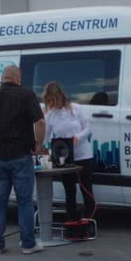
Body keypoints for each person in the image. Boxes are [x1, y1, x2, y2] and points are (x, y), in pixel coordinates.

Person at [0, 66, 46, 255]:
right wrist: (38, 144)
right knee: (24, 202)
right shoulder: (27, 95)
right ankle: (28, 244)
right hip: (21, 156)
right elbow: (41, 122)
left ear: (3, 78)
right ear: (18, 78)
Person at [42, 81, 96, 221]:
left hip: (82, 154)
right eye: (49, 101)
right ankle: (72, 219)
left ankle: (89, 218)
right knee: (69, 190)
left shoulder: (75, 109)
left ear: (60, 96)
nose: (52, 103)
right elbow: (46, 135)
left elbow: (88, 127)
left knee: (86, 188)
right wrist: (41, 147)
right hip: (65, 158)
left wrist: (79, 136)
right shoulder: (51, 115)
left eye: (54, 100)